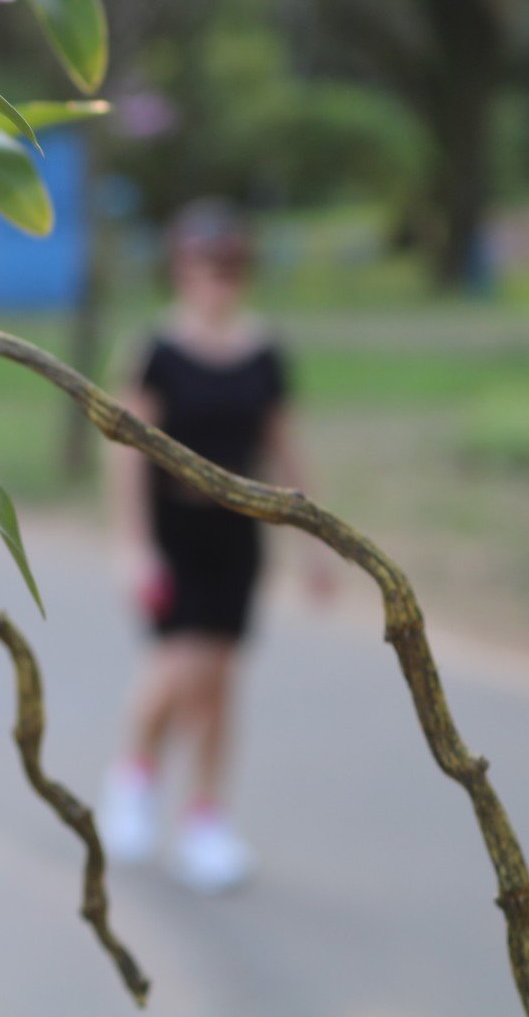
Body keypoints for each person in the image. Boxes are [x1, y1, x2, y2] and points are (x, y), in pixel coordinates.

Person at [98, 199, 330, 893]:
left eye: (230, 265)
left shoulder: (265, 354)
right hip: (176, 533)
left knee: (222, 678)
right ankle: (135, 778)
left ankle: (206, 820)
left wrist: (314, 548)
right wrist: (134, 545)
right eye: (204, 264)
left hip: (237, 536)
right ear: (181, 268)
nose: (217, 279)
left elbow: (285, 448)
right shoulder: (155, 351)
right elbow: (127, 454)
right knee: (180, 665)